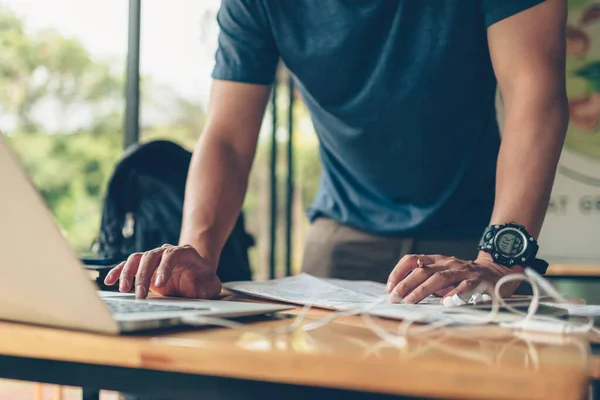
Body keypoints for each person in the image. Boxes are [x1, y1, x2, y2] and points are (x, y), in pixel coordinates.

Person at [104, 0, 569, 304]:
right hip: (342, 237)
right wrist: (198, 254)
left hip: (477, 232)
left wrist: (500, 261)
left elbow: (535, 94)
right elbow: (226, 134)